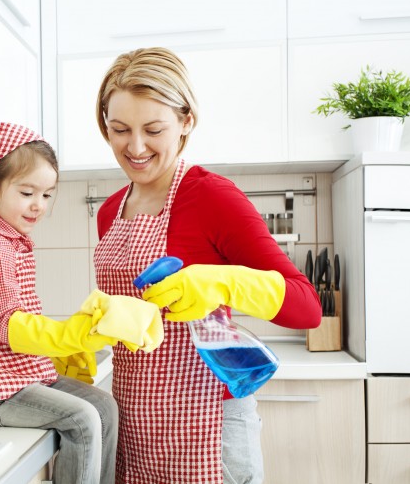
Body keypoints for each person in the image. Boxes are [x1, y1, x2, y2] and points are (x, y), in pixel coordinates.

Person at [92, 48, 322, 483]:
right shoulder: (109, 211)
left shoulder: (212, 197)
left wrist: (223, 281)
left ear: (186, 122)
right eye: (119, 129)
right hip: (136, 425)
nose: (134, 147)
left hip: (208, 428)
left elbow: (307, 307)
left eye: (153, 129)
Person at [0, 118, 160, 484]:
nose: (38, 206)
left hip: (16, 380)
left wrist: (67, 339)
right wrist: (70, 334)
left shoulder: (10, 240)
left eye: (46, 195)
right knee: (82, 418)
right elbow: (8, 323)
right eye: (27, 193)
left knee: (103, 405)